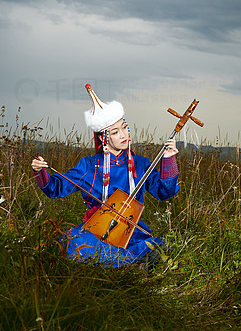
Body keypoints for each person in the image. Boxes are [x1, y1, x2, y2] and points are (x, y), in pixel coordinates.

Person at [31, 84, 179, 267]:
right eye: (115, 132)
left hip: (131, 231)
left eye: (125, 128)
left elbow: (165, 192)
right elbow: (55, 188)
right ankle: (133, 261)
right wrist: (40, 171)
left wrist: (168, 160)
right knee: (74, 242)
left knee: (159, 243)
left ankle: (124, 260)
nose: (124, 135)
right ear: (102, 138)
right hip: (96, 230)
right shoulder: (88, 165)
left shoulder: (141, 164)